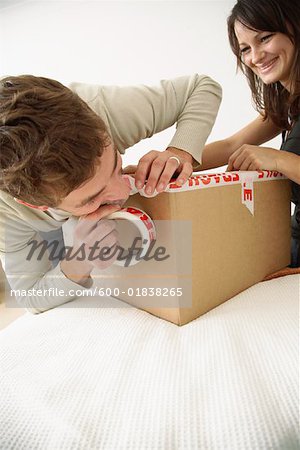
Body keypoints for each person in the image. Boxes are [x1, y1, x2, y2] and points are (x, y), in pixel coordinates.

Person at [0, 73, 222, 312]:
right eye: (92, 198)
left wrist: (181, 150)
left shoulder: (102, 111)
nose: (124, 190)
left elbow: (201, 87)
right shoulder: (6, 214)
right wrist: (78, 263)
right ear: (37, 205)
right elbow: (30, 297)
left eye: (116, 165)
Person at [199, 0, 300, 268]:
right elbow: (231, 144)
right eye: (245, 49)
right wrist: (170, 161)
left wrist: (277, 160)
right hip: (291, 245)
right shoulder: (285, 104)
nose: (255, 57)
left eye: (265, 38)